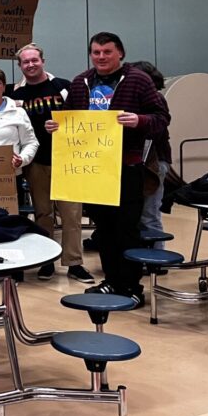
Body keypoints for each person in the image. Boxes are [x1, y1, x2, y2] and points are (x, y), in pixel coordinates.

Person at [46, 32, 170, 309]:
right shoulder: (81, 82)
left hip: (127, 167)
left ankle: (132, 286)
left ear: (120, 53)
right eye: (96, 52)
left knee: (126, 229)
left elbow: (162, 118)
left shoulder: (138, 80)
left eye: (107, 52)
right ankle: (112, 281)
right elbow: (69, 115)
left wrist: (139, 120)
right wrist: (56, 126)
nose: (101, 57)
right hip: (93, 169)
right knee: (104, 229)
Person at [9, 44, 91, 284]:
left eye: (34, 60)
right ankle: (47, 261)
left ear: (43, 60)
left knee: (72, 215)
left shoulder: (64, 87)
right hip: (36, 163)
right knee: (42, 213)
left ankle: (74, 263)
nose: (31, 65)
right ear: (20, 66)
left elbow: (84, 117)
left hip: (68, 161)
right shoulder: (15, 95)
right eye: (26, 62)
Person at [126, 61, 172, 247]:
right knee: (144, 213)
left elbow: (156, 130)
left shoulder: (155, 100)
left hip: (154, 162)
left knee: (149, 214)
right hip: (148, 162)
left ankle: (156, 259)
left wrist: (137, 123)